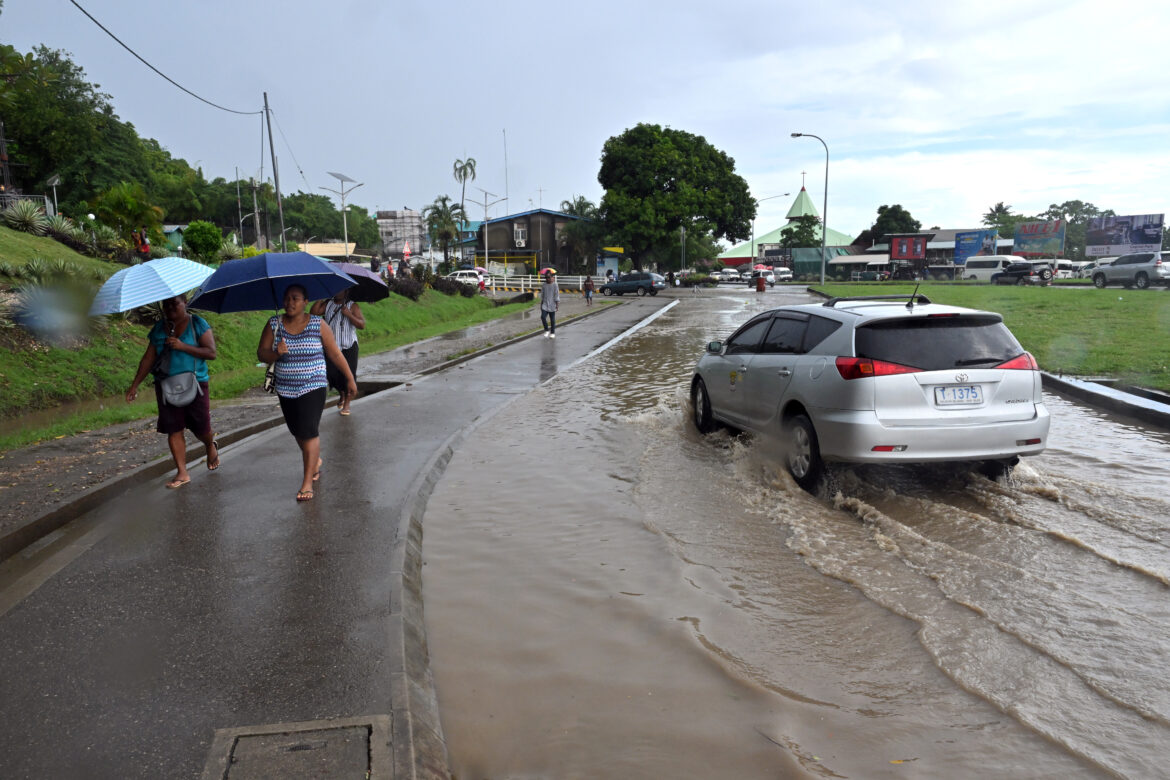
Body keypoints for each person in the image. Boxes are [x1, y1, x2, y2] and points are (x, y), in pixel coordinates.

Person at [257, 284, 357, 502]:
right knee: (297, 431)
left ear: (305, 302)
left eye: (295, 298)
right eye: (287, 298)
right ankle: (315, 461)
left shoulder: (317, 324)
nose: (290, 303)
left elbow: (336, 354)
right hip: (285, 387)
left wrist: (350, 378)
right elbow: (261, 353)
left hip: (314, 384)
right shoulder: (274, 324)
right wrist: (276, 352)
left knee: (309, 430)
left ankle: (307, 481)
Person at [125, 294, 218, 489]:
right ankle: (182, 472)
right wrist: (135, 385)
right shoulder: (159, 329)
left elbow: (211, 352)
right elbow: (148, 359)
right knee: (173, 428)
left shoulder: (197, 324)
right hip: (166, 385)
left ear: (184, 303)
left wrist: (182, 346)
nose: (170, 308)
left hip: (196, 384)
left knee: (201, 427)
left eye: (174, 303)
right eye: (166, 305)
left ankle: (210, 445)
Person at [311, 289, 364, 416]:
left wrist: (349, 315)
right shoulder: (328, 304)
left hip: (349, 346)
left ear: (346, 291)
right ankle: (342, 393)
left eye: (340, 290)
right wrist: (321, 295)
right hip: (332, 347)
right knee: (331, 373)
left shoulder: (353, 305)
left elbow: (362, 325)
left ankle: (347, 404)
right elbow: (313, 313)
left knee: (348, 375)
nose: (337, 292)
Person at [539, 269, 559, 338]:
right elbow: (542, 295)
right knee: (542, 317)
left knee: (552, 320)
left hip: (552, 304)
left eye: (548, 277)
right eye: (546, 277)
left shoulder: (555, 285)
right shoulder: (544, 285)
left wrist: (557, 305)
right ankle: (546, 330)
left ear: (552, 277)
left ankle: (552, 333)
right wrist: (541, 304)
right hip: (545, 304)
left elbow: (556, 295)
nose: (547, 279)